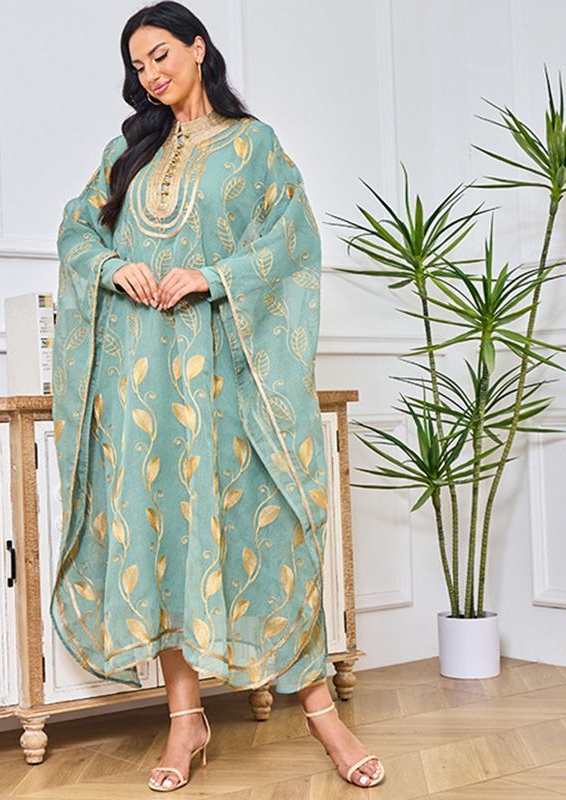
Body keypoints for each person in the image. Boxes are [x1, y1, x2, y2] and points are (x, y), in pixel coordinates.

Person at [50, 0, 384, 792]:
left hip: (227, 376)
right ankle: (185, 721)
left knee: (269, 530)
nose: (150, 74)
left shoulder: (253, 146)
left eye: (161, 55)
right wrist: (111, 267)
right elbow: (75, 232)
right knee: (162, 534)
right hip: (140, 387)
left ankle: (323, 715)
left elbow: (293, 242)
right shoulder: (125, 153)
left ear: (199, 48)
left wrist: (214, 275)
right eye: (138, 65)